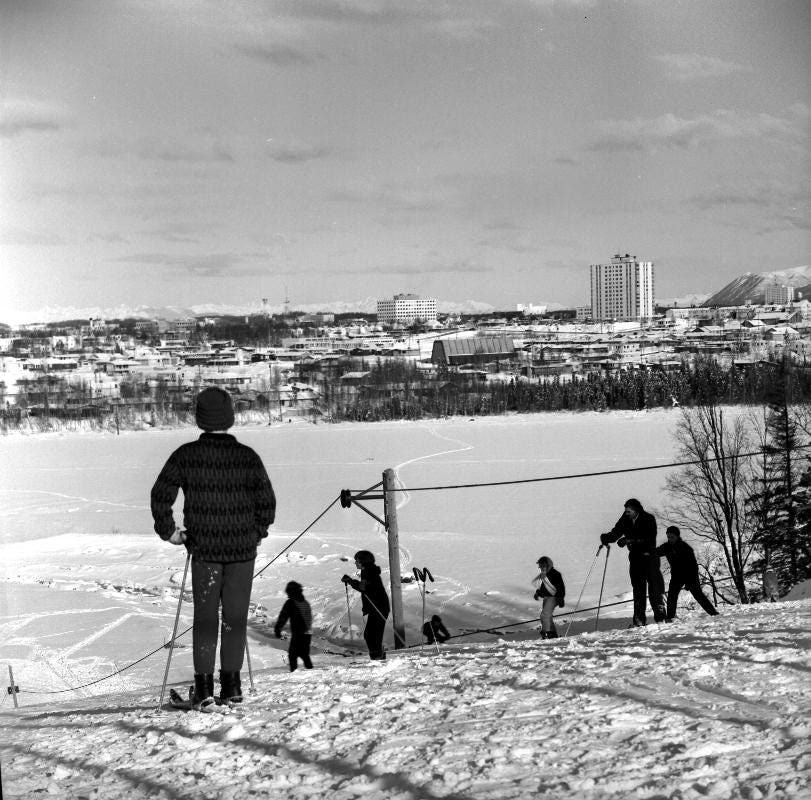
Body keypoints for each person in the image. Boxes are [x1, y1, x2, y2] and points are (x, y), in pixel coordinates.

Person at [151, 387, 276, 708]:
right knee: (234, 618)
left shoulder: (185, 455)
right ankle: (232, 686)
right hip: (241, 551)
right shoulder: (247, 457)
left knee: (205, 618)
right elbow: (267, 504)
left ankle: (204, 688)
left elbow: (160, 495)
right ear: (230, 418)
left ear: (199, 418)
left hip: (204, 549)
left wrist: (171, 533)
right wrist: (255, 533)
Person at [601, 498, 667, 626]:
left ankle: (661, 618)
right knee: (638, 589)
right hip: (635, 557)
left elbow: (648, 538)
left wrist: (629, 540)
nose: (627, 513)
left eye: (629, 511)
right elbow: (616, 532)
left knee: (654, 588)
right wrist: (606, 538)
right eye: (626, 511)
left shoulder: (648, 518)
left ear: (636, 510)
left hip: (649, 556)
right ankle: (639, 620)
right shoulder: (625, 519)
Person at [656, 526, 719, 620]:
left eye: (672, 537)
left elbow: (693, 566)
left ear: (677, 536)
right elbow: (655, 552)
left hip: (690, 574)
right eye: (668, 537)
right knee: (672, 596)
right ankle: (670, 617)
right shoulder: (666, 547)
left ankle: (714, 614)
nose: (670, 539)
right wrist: (646, 553)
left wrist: (690, 583)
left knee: (698, 595)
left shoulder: (685, 548)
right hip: (676, 576)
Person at [342, 550, 390, 660]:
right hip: (376, 607)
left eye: (357, 561)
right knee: (370, 634)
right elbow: (365, 588)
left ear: (364, 562)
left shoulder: (370, 572)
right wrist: (351, 581)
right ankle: (377, 656)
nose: (355, 563)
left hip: (379, 607)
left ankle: (377, 657)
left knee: (372, 635)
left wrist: (350, 581)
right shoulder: (367, 571)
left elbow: (364, 588)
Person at [274, 581, 314, 671]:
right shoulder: (305, 602)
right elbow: (309, 618)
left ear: (291, 591)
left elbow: (283, 616)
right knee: (304, 654)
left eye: (288, 592)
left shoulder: (291, 602)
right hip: (308, 633)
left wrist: (277, 629)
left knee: (293, 654)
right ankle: (310, 670)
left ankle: (294, 671)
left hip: (299, 632)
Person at [532, 556, 566, 639]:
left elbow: (561, 588)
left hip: (554, 597)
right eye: (540, 566)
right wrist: (538, 594)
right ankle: (552, 634)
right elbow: (543, 588)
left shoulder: (555, 574)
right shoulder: (544, 575)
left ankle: (547, 633)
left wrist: (560, 598)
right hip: (547, 598)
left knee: (545, 615)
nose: (542, 568)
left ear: (548, 565)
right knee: (547, 616)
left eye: (543, 566)